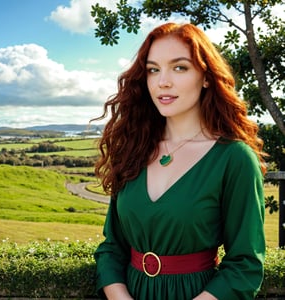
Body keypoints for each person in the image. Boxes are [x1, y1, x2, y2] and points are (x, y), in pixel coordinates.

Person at [93, 22, 266, 300]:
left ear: (206, 77)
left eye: (180, 67)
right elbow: (112, 248)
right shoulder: (132, 150)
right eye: (153, 69)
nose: (163, 81)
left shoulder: (234, 159)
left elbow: (245, 265)